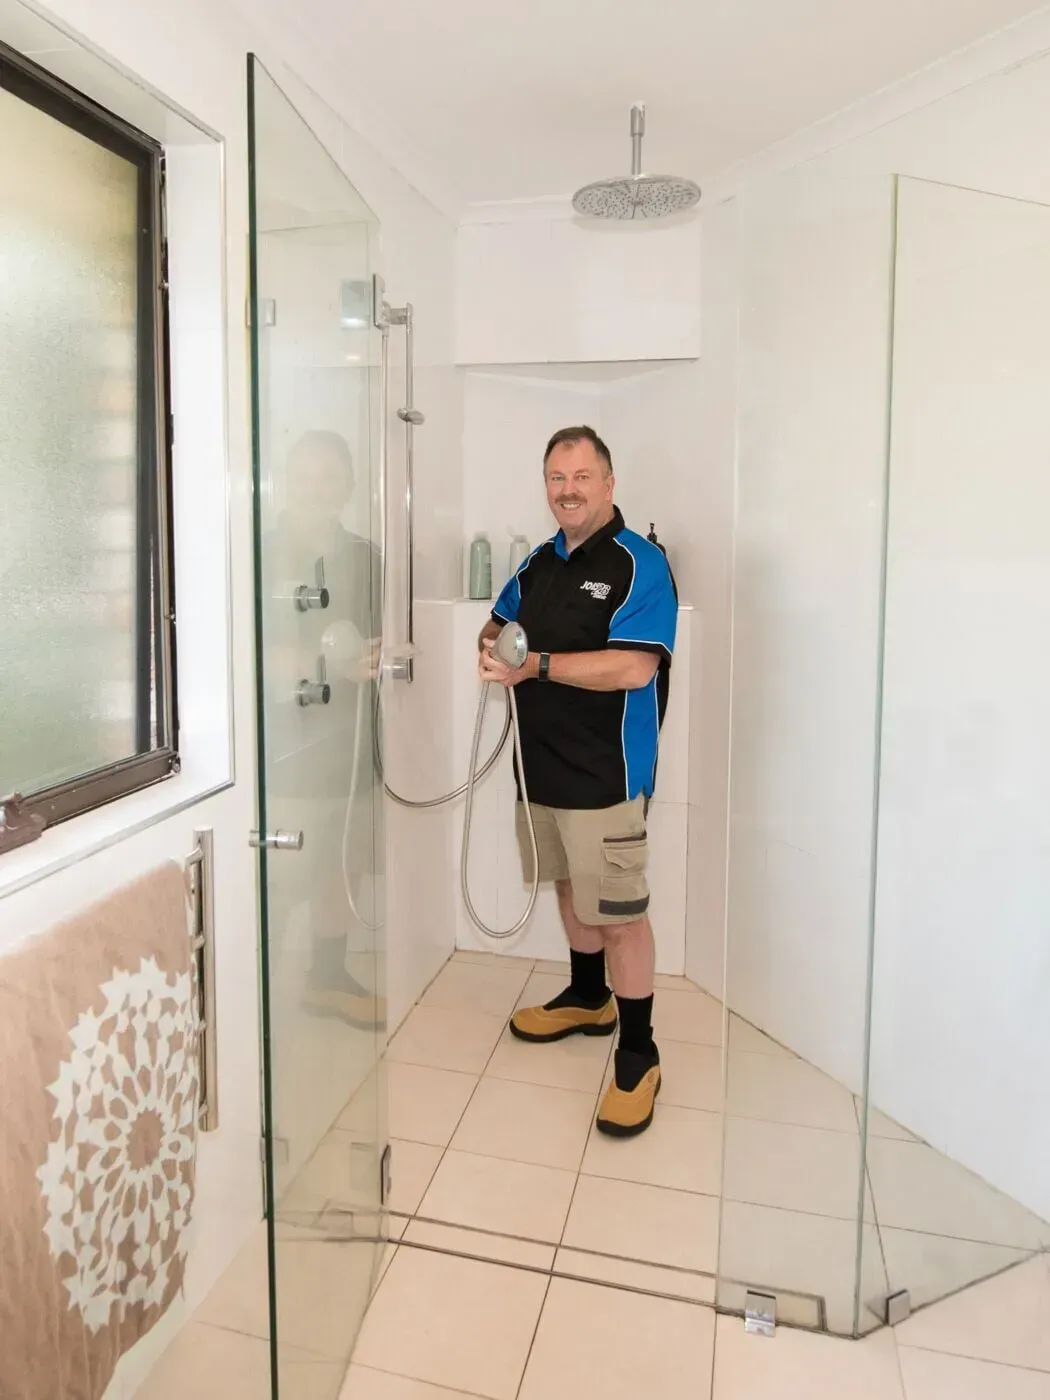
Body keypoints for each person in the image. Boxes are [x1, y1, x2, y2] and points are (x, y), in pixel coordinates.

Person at [478, 425, 678, 1137]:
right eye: (556, 478)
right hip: (541, 769)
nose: (568, 489)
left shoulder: (638, 563)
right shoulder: (538, 563)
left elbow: (632, 668)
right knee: (569, 888)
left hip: (608, 774)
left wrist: (533, 666)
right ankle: (589, 998)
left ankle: (638, 1051)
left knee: (619, 915)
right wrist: (494, 649)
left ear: (609, 482)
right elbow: (499, 623)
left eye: (581, 476)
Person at [264, 429, 385, 1032]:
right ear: (287, 481)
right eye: (306, 476)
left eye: (330, 477)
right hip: (282, 748)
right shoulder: (258, 552)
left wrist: (377, 655)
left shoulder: (364, 555)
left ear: (349, 487)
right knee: (283, 877)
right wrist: (322, 661)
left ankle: (327, 977)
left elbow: (377, 636)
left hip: (347, 742)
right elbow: (248, 652)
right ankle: (260, 996)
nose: (318, 489)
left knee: (341, 866)